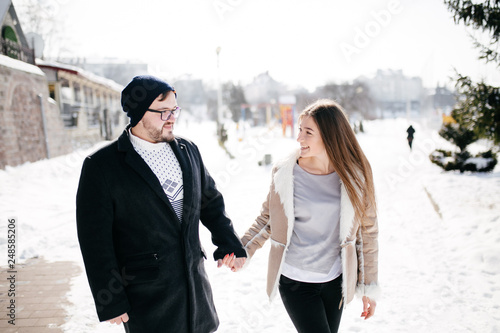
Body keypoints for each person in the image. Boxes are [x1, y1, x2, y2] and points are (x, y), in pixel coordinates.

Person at [76, 75, 246, 333]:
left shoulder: (189, 151)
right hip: (148, 301)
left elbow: (210, 202)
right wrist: (109, 298)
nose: (172, 117)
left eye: (174, 109)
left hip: (196, 295)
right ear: (139, 113)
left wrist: (229, 243)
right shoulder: (102, 166)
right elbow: (94, 241)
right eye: (163, 111)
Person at [237, 99, 380, 333]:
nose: (299, 138)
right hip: (295, 281)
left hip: (335, 281)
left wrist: (368, 287)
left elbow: (368, 234)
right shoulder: (285, 173)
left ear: (329, 135)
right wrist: (244, 249)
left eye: (308, 132)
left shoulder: (355, 176)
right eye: (299, 130)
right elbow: (268, 219)